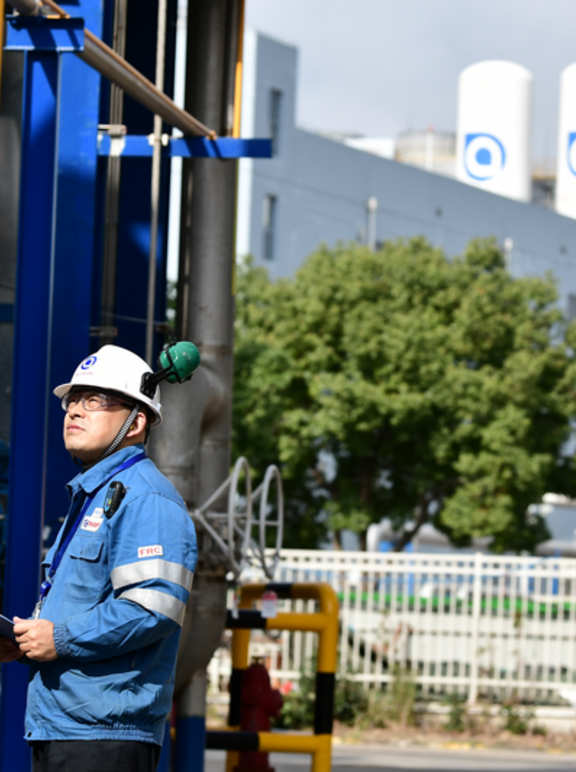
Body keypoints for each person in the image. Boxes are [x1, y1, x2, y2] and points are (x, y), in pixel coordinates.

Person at [0, 345, 197, 772]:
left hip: (105, 739)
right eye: (73, 400)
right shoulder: (95, 497)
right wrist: (29, 643)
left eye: (94, 400)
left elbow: (153, 608)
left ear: (136, 421)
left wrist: (61, 638)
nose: (74, 411)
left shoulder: (147, 498)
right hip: (64, 728)